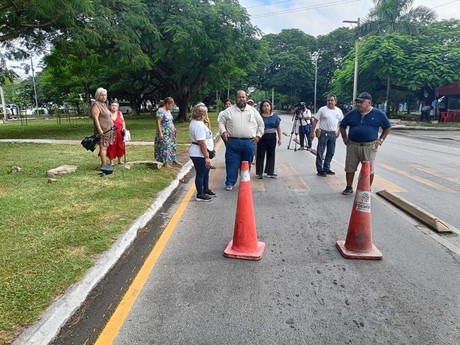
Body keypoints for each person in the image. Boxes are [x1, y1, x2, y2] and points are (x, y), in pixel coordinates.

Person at [339, 92, 391, 195]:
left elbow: (387, 127)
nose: (358, 104)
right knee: (350, 167)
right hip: (353, 145)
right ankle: (349, 186)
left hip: (369, 146)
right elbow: (342, 125)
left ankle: (367, 188)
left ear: (369, 102)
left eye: (361, 102)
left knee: (368, 169)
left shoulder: (378, 114)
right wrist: (344, 137)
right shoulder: (352, 114)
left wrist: (381, 139)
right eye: (357, 102)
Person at [218, 90, 264, 191]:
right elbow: (221, 122)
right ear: (236, 98)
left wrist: (258, 136)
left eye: (243, 97)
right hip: (233, 142)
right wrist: (223, 131)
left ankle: (245, 182)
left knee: (247, 164)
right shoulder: (229, 111)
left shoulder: (252, 111)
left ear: (246, 98)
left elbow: (261, 124)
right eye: (239, 97)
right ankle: (230, 183)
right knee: (231, 163)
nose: (241, 99)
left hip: (249, 142)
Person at [310, 95, 344, 177]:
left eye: (332, 100)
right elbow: (315, 121)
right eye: (328, 100)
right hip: (323, 133)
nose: (330, 102)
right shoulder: (322, 109)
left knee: (331, 152)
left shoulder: (338, 111)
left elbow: (341, 122)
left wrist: (339, 131)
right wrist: (312, 132)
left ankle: (326, 168)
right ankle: (320, 169)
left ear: (335, 102)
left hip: (333, 134)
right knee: (320, 152)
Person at [189, 103, 216, 201]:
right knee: (201, 173)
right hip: (199, 153)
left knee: (205, 172)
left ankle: (205, 189)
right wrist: (207, 157)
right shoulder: (199, 125)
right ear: (202, 114)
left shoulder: (196, 123)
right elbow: (201, 142)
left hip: (199, 152)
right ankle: (200, 194)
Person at [256, 100, 282, 179]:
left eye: (268, 105)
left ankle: (270, 172)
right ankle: (259, 172)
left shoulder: (275, 117)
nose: (266, 107)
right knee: (260, 154)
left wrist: (280, 138)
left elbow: (278, 128)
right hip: (261, 137)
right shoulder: (259, 117)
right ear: (262, 107)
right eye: (264, 106)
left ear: (270, 106)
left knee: (271, 154)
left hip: (272, 137)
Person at [154, 97, 182, 168]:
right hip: (164, 132)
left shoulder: (168, 111)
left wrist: (174, 128)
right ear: (167, 104)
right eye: (171, 105)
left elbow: (170, 121)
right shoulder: (160, 111)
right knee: (165, 146)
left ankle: (173, 160)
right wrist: (160, 133)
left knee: (172, 145)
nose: (172, 107)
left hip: (170, 133)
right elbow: (158, 122)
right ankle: (165, 162)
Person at [91, 87, 115, 167]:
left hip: (109, 130)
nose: (104, 97)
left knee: (106, 146)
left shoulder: (104, 104)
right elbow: (95, 118)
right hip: (103, 130)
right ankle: (103, 164)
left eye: (105, 95)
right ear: (98, 96)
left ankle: (104, 163)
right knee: (103, 147)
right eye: (102, 95)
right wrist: (99, 130)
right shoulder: (96, 105)